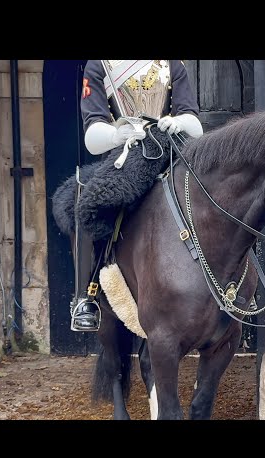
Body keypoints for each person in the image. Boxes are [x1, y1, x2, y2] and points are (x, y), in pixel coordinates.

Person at [70, 60, 203, 332]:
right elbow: (92, 135)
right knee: (90, 197)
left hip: (170, 153)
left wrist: (177, 122)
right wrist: (117, 134)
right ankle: (87, 295)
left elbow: (194, 123)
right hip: (124, 157)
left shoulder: (171, 64)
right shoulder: (99, 66)